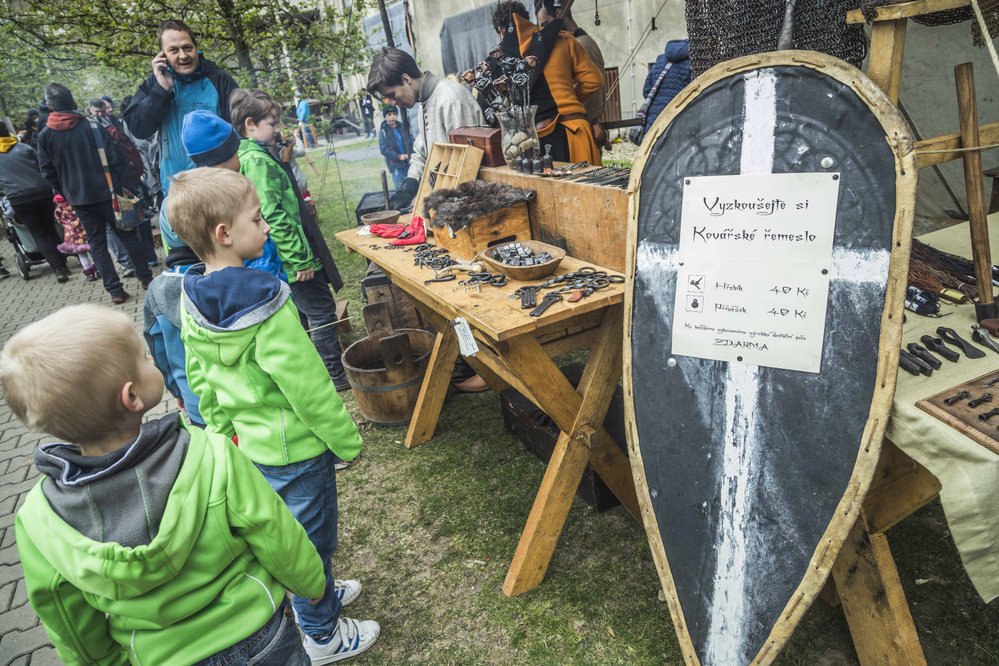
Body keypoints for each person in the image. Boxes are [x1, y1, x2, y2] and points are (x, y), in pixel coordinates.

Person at [2, 304, 327, 665]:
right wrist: (310, 582)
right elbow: (272, 530)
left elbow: (63, 612)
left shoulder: (38, 519)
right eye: (144, 356)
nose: (151, 358)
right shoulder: (210, 453)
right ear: (132, 397)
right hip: (258, 634)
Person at [170, 168, 380, 662]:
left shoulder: (192, 297)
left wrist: (224, 435)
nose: (265, 227)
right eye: (257, 218)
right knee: (312, 537)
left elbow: (200, 381)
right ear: (224, 234)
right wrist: (345, 439)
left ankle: (320, 589)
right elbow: (306, 386)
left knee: (289, 531)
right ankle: (323, 631)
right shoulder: (267, 299)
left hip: (252, 446)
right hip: (299, 450)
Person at [145, 108, 282, 429]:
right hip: (255, 409)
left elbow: (160, 349)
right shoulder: (242, 283)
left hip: (202, 410)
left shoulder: (160, 290)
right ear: (221, 235)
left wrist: (175, 389)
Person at [230, 89, 349, 390]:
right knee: (322, 312)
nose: (276, 129)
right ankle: (334, 375)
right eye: (271, 123)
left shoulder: (256, 154)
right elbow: (273, 214)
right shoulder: (256, 161)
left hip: (292, 254)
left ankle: (316, 372)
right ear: (250, 124)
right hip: (293, 258)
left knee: (307, 313)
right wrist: (299, 259)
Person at [36, 83, 153, 304]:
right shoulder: (92, 127)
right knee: (128, 235)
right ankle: (146, 278)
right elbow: (116, 159)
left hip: (79, 199)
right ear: (72, 102)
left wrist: (67, 193)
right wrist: (124, 186)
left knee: (97, 244)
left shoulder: (45, 136)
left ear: (50, 106)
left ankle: (115, 291)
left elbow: (48, 172)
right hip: (109, 192)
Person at [122, 18, 238, 197]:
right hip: (176, 188)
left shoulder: (219, 79)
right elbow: (138, 129)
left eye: (187, 47)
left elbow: (240, 129)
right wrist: (161, 91)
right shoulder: (155, 84)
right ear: (163, 55)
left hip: (218, 186)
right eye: (174, 50)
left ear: (196, 47)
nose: (183, 55)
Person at [367, 46, 485, 209]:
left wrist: (432, 197)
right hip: (449, 202)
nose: (393, 103)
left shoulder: (451, 98)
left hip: (470, 204)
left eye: (392, 95)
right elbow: (422, 152)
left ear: (406, 79)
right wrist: (410, 183)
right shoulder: (425, 102)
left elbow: (466, 163)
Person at [491, 2, 603, 166]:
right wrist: (571, 100)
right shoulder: (565, 40)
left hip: (543, 136)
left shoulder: (505, 58)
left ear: (501, 30)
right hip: (576, 130)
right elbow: (594, 80)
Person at [0, 122, 70, 282]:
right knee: (51, 229)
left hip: (19, 199)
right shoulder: (24, 148)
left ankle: (58, 269)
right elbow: (43, 166)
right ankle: (63, 262)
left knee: (39, 234)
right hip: (42, 193)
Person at [534, 0, 606, 142]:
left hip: (582, 126)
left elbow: (593, 86)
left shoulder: (579, 43)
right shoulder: (578, 41)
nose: (545, 31)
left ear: (560, 15)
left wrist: (568, 100)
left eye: (547, 24)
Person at [632, 40, 692, 145]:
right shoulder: (692, 62)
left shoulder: (661, 59)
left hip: (654, 114)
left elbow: (647, 90)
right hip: (677, 113)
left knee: (651, 150)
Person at [54, 195, 97, 281]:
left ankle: (89, 274)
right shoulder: (75, 202)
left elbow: (58, 219)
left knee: (81, 254)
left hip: (72, 235)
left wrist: (67, 225)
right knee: (93, 251)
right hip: (84, 230)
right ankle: (99, 269)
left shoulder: (59, 208)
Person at [378, 105, 413, 188]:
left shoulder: (402, 127)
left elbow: (411, 140)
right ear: (385, 117)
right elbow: (384, 149)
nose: (392, 117)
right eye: (389, 114)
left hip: (408, 161)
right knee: (400, 187)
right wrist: (398, 157)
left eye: (394, 114)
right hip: (396, 164)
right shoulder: (383, 131)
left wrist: (410, 153)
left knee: (411, 186)